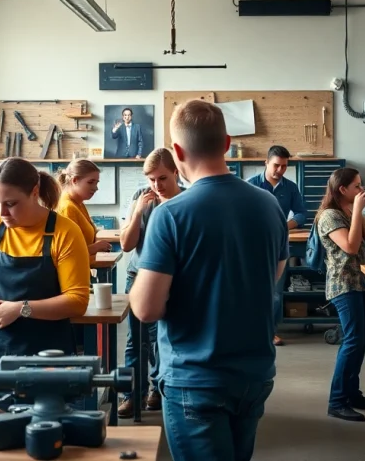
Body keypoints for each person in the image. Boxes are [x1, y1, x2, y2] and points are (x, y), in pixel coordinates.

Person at [129, 100, 288, 461]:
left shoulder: (170, 214)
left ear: (178, 151)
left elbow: (147, 309)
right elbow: (273, 273)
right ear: (227, 143)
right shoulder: (268, 205)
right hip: (254, 374)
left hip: (195, 378)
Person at [0, 158, 92, 405]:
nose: (2, 213)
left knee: (44, 438)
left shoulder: (64, 232)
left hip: (46, 361)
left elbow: (77, 301)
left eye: (11, 204)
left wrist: (21, 308)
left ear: (34, 192)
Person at [116, 148, 186, 418]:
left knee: (162, 340)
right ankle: (129, 394)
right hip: (138, 276)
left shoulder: (186, 200)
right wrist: (137, 213)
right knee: (136, 341)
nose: (157, 186)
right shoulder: (139, 198)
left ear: (176, 173)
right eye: (152, 180)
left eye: (163, 178)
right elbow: (126, 243)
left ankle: (156, 389)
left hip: (171, 280)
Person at [315, 167, 365, 422]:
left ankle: (352, 393)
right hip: (344, 285)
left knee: (361, 340)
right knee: (353, 340)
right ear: (342, 189)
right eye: (356, 186)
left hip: (360, 283)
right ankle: (337, 400)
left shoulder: (348, 211)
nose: (361, 189)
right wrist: (353, 215)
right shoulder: (329, 216)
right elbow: (351, 247)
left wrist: (358, 211)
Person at [245, 145, 309, 347]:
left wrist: (283, 225)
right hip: (253, 245)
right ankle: (248, 330)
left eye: (284, 167)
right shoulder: (250, 185)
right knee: (250, 289)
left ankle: (269, 332)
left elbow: (301, 214)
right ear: (266, 162)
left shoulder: (290, 187)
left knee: (275, 292)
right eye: (276, 165)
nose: (279, 170)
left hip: (279, 244)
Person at [55, 159, 112, 257]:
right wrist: (96, 247)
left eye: (96, 183)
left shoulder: (78, 203)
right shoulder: (67, 207)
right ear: (75, 180)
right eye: (90, 182)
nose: (96, 188)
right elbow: (68, 253)